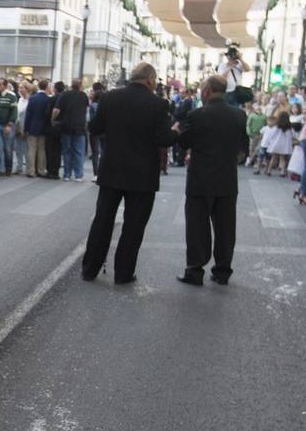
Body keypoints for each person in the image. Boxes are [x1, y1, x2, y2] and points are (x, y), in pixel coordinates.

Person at [82, 63, 179, 283]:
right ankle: (123, 273)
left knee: (102, 221)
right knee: (133, 227)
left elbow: (95, 128)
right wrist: (175, 132)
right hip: (142, 175)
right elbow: (163, 139)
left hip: (112, 170)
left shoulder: (109, 98)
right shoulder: (158, 104)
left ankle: (90, 269)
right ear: (150, 80)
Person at [174, 75, 248, 286]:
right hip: (226, 179)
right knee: (226, 228)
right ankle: (222, 271)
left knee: (197, 227)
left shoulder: (197, 115)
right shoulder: (239, 115)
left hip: (200, 179)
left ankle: (195, 271)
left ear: (206, 91)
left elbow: (185, 142)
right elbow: (243, 147)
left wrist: (178, 133)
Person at [53, 79, 90, 181]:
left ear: (71, 85)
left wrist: (53, 119)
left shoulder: (64, 95)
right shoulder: (84, 96)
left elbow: (56, 110)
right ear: (80, 86)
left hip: (66, 126)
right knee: (78, 151)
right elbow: (87, 111)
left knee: (66, 151)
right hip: (80, 127)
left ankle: (67, 174)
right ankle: (79, 175)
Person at [23, 80, 51, 177]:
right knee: (41, 150)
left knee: (31, 149)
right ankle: (41, 170)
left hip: (32, 127)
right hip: (43, 127)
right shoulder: (48, 99)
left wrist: (26, 128)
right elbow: (48, 115)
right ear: (46, 87)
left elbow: (28, 114)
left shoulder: (32, 98)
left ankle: (31, 171)